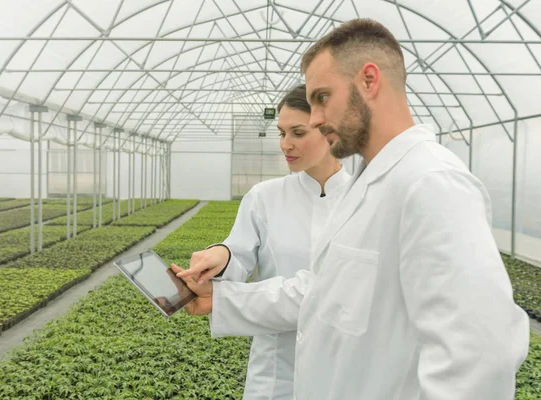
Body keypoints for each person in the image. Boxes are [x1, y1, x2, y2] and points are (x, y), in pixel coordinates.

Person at [174, 18, 530, 400]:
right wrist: (225, 299)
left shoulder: (432, 184)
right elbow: (322, 290)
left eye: (322, 98)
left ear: (369, 81)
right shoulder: (374, 182)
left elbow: (478, 355)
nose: (314, 119)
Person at [177, 84, 351, 400]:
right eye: (281, 133)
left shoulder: (361, 200)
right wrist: (222, 253)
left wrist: (223, 299)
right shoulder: (265, 197)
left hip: (343, 372)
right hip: (275, 375)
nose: (285, 144)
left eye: (297, 133)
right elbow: (239, 253)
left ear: (329, 130)